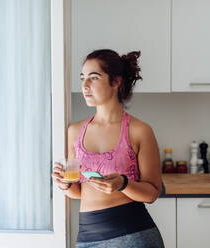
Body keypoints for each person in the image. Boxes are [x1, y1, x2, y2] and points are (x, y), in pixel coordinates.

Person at [52, 49, 164, 248]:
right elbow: (80, 192)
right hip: (87, 239)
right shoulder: (75, 131)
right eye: (83, 78)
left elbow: (152, 193)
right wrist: (65, 184)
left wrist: (123, 184)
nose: (85, 85)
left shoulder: (140, 131)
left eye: (93, 78)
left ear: (116, 82)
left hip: (133, 236)